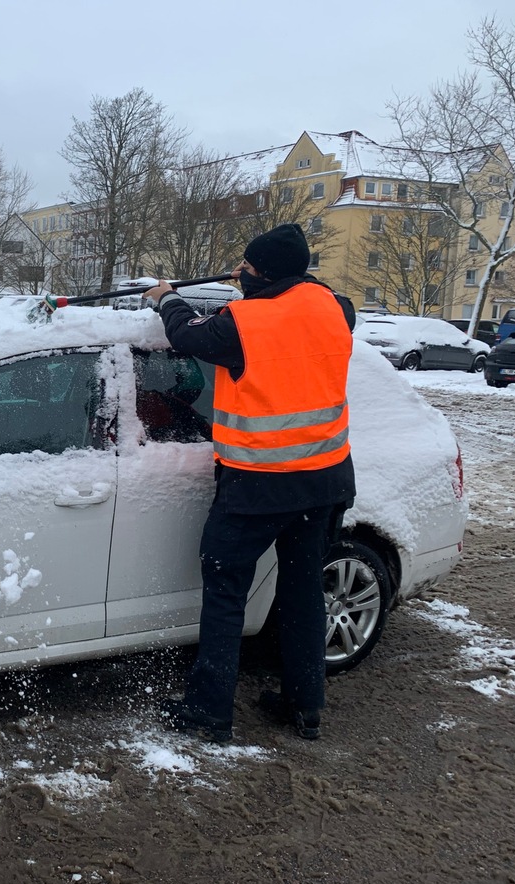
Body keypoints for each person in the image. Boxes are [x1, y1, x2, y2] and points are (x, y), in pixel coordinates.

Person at [142, 223, 356, 743]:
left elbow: (186, 334)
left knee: (225, 591)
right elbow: (306, 298)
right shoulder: (337, 309)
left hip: (257, 486)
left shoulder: (241, 322)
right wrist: (259, 281)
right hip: (325, 482)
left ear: (258, 273)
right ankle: (304, 707)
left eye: (247, 266)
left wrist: (167, 297)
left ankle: (209, 711)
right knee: (303, 592)